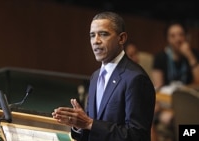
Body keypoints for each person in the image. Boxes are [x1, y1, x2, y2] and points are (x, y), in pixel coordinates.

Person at [52, 11, 156, 141]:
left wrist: (89, 123)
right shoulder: (95, 76)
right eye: (92, 35)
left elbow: (137, 136)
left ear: (121, 38)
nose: (96, 41)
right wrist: (79, 125)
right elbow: (93, 129)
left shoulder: (136, 79)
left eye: (103, 34)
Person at [152, 21, 199, 90]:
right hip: (167, 97)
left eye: (181, 34)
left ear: (186, 36)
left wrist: (190, 56)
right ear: (167, 39)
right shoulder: (160, 57)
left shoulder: (193, 54)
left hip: (188, 96)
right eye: (173, 36)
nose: (178, 39)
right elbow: (158, 87)